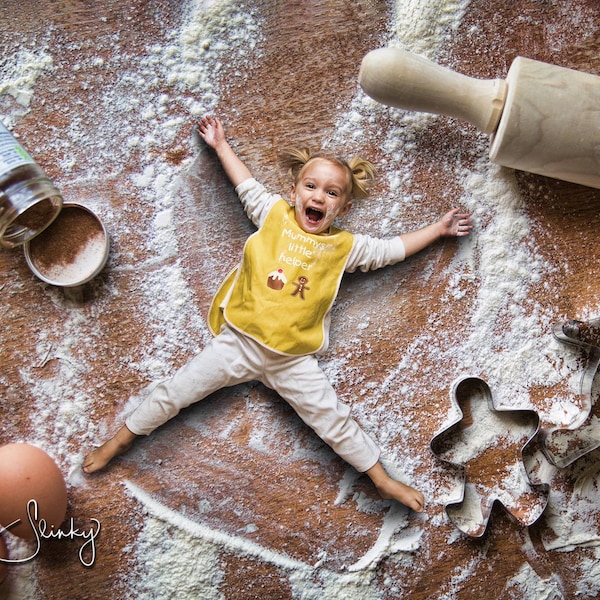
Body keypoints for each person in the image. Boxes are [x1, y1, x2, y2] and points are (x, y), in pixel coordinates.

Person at [83, 115, 473, 513]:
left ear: (343, 206)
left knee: (332, 419)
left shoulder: (345, 248)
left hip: (291, 359)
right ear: (294, 191)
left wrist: (436, 229)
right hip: (237, 342)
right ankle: (119, 440)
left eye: (332, 193)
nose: (319, 197)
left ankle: (382, 480)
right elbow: (245, 184)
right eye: (311, 186)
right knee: (175, 392)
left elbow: (392, 249)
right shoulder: (272, 215)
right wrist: (220, 146)